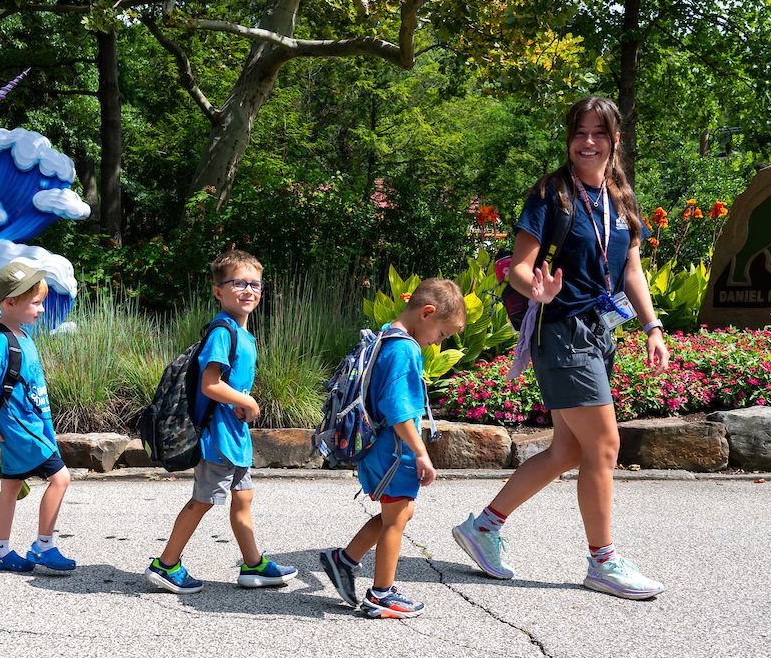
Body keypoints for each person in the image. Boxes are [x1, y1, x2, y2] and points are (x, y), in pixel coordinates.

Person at [452, 96, 670, 600]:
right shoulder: (551, 194)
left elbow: (631, 271)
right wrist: (537, 290)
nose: (588, 141)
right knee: (605, 446)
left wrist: (652, 325)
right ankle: (603, 561)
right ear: (569, 138)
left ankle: (483, 527)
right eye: (579, 132)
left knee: (568, 449)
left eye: (599, 132)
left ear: (615, 140)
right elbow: (521, 268)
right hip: (561, 332)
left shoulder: (621, 199)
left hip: (600, 332)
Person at [145, 250, 297, 594]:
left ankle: (253, 565)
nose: (248, 290)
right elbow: (209, 384)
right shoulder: (223, 332)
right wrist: (247, 401)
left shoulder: (243, 335)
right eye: (238, 283)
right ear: (219, 291)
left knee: (243, 498)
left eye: (254, 284)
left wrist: (240, 405)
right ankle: (166, 565)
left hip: (234, 434)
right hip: (219, 437)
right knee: (203, 500)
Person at [320, 278, 467, 618]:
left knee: (398, 512)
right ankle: (381, 594)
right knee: (396, 519)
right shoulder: (405, 349)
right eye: (441, 334)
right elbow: (399, 408)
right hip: (393, 449)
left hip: (378, 446)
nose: (436, 343)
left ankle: (343, 560)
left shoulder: (387, 334)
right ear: (427, 313)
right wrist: (421, 452)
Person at [0, 260, 76, 573]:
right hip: (21, 430)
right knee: (61, 478)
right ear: (10, 302)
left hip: (32, 425)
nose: (41, 309)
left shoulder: (23, 337)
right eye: (36, 303)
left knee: (11, 488)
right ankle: (43, 546)